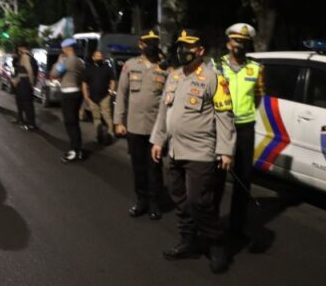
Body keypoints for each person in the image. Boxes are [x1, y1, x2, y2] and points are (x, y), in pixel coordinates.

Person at [151, 28, 236, 274]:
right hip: (175, 150)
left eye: (188, 47)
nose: (182, 51)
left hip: (200, 151)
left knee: (200, 200)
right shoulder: (174, 76)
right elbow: (163, 112)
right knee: (179, 198)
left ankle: (215, 243)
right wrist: (158, 140)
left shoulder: (214, 78)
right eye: (180, 46)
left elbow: (224, 115)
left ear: (200, 51)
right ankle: (188, 241)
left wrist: (225, 150)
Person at [212, 23, 264, 241]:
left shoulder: (257, 68)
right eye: (236, 41)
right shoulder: (216, 66)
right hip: (220, 128)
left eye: (243, 42)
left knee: (243, 180)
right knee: (216, 179)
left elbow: (259, 96)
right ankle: (211, 226)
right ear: (228, 43)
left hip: (245, 129)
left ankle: (236, 227)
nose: (239, 45)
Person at [114, 30, 167, 220]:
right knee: (138, 167)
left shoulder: (164, 67)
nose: (151, 45)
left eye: (154, 42)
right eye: (148, 42)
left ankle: (154, 203)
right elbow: (122, 94)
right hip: (134, 126)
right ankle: (141, 201)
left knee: (155, 167)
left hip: (155, 128)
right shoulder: (130, 65)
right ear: (140, 44)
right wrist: (119, 121)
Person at [50, 38, 86, 163]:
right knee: (74, 123)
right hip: (77, 93)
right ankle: (78, 150)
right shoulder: (80, 61)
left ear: (68, 49)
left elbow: (53, 74)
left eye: (63, 49)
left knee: (70, 123)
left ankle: (74, 151)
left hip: (68, 94)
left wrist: (58, 62)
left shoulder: (67, 61)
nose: (62, 51)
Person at [82, 50, 116, 144]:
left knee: (107, 116)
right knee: (96, 118)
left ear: (102, 58)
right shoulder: (88, 69)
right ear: (93, 58)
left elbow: (113, 80)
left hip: (105, 97)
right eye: (96, 56)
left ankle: (110, 134)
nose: (98, 58)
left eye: (100, 56)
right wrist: (86, 96)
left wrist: (111, 93)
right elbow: (84, 83)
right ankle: (98, 136)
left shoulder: (107, 68)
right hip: (92, 98)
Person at [11, 42, 38, 131]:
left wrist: (31, 83)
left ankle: (31, 124)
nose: (18, 50)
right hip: (22, 83)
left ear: (22, 48)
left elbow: (29, 71)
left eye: (19, 48)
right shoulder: (25, 56)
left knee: (27, 104)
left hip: (25, 84)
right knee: (21, 102)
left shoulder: (26, 56)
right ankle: (22, 120)